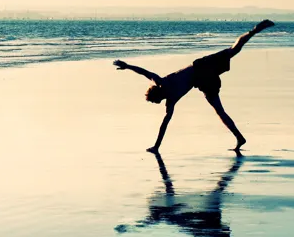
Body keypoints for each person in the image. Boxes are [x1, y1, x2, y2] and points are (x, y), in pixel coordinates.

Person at [113, 19, 274, 156]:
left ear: (157, 96)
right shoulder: (165, 89)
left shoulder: (166, 91)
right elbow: (144, 74)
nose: (157, 103)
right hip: (202, 77)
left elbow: (145, 74)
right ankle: (253, 31)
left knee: (220, 108)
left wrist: (127, 66)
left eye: (155, 101)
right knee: (232, 53)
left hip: (202, 71)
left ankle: (239, 137)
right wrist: (127, 66)